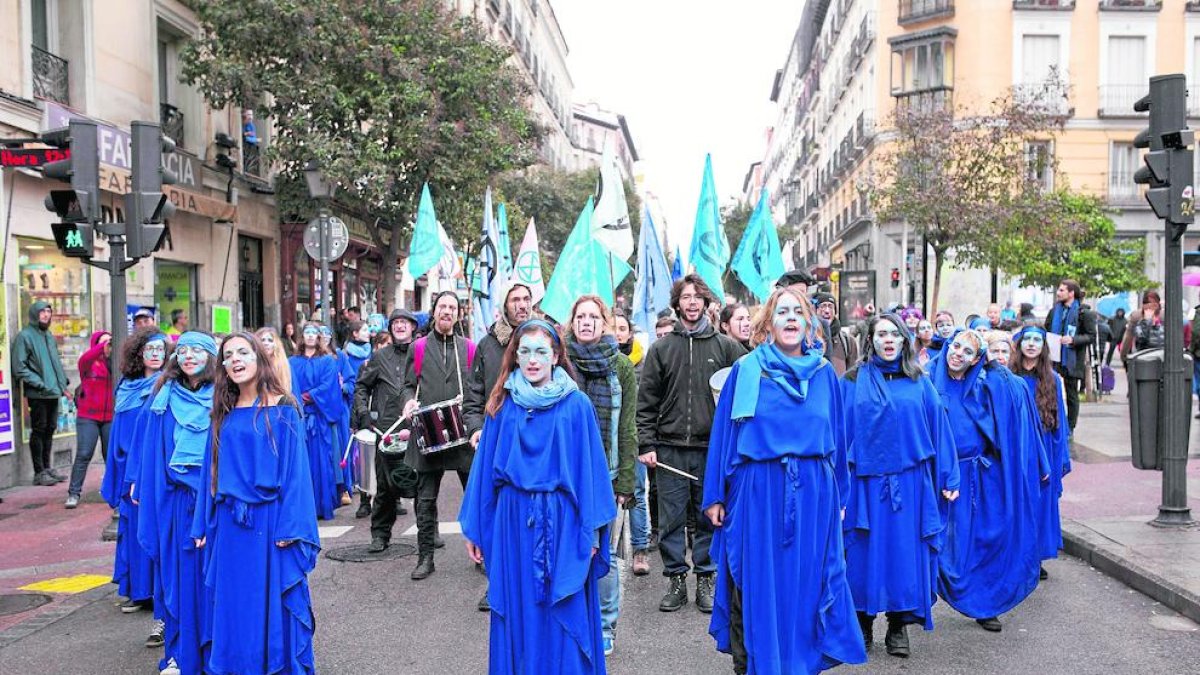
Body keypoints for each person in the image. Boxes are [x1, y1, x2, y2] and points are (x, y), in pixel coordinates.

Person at [702, 288, 866, 674]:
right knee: (758, 586)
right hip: (759, 491)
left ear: (809, 323)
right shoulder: (747, 370)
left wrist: (841, 495)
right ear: (768, 324)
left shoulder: (826, 374)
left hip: (814, 494)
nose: (791, 318)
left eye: (798, 312)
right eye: (782, 312)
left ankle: (799, 664)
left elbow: (838, 442)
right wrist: (715, 495)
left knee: (807, 587)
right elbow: (724, 436)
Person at [459, 319, 616, 674]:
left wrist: (591, 532)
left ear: (556, 356)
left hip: (563, 523)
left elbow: (590, 473)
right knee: (519, 611)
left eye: (541, 351)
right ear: (514, 357)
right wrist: (476, 530)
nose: (532, 360)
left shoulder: (577, 406)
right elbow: (485, 476)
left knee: (564, 608)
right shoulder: (502, 406)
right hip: (513, 524)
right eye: (524, 351)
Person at [192, 332, 320, 674]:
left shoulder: (283, 407)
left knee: (272, 605)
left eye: (243, 352)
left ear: (259, 359)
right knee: (235, 606)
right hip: (230, 528)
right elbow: (211, 471)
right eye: (228, 355)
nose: (235, 359)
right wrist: (201, 522)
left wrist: (292, 526)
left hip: (271, 524)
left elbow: (296, 474)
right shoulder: (222, 411)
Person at [841, 314, 960, 658]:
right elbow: (836, 434)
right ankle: (861, 622)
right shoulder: (850, 382)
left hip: (909, 487)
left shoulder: (919, 382)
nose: (889, 340)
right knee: (861, 557)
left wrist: (950, 476)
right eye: (882, 334)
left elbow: (939, 430)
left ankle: (897, 624)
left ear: (905, 340)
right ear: (871, 341)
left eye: (895, 334)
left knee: (903, 558)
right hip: (864, 485)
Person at [637, 274, 746, 614]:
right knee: (670, 519)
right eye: (686, 297)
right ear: (677, 303)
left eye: (698, 296)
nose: (692, 302)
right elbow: (646, 402)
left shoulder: (727, 348)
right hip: (668, 449)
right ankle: (676, 580)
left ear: (708, 302)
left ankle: (705, 578)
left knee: (707, 516)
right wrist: (646, 443)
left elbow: (745, 395)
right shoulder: (661, 349)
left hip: (711, 450)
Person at [930, 330, 1043, 635]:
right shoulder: (926, 380)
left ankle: (985, 603)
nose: (958, 354)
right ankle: (909, 609)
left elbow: (1012, 401)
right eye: (956, 347)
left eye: (968, 352)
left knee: (982, 542)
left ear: (976, 359)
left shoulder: (985, 385)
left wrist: (991, 363)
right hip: (938, 478)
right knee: (937, 543)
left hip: (978, 477)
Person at [135, 331, 216, 675]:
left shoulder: (226, 398)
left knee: (215, 583)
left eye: (197, 350)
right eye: (182, 350)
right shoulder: (161, 400)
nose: (188, 356)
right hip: (177, 506)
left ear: (212, 357)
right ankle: (180, 654)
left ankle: (218, 653)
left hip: (215, 505)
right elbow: (152, 458)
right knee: (179, 582)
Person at [565, 296, 638, 656]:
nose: (587, 322)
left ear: (605, 323)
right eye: (581, 316)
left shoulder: (621, 366)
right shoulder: (560, 362)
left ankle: (606, 625)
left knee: (605, 555)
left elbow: (628, 428)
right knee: (573, 552)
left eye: (594, 316)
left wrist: (626, 481)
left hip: (607, 477)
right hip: (567, 479)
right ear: (573, 321)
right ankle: (575, 619)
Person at [403, 291, 476, 581]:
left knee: (474, 496)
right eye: (442, 306)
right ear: (434, 312)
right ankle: (425, 557)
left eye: (452, 307)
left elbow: (478, 389)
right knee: (425, 500)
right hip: (427, 433)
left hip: (463, 434)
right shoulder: (418, 348)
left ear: (458, 314)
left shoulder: (470, 348)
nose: (447, 311)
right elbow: (408, 385)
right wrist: (408, 401)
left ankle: (481, 552)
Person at [99, 329, 169, 632]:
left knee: (153, 528)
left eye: (160, 349)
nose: (155, 354)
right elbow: (118, 432)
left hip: (152, 467)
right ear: (139, 353)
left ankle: (157, 592)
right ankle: (138, 591)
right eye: (149, 349)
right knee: (131, 526)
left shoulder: (168, 385)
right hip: (128, 464)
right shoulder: (126, 386)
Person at [353, 309, 420, 552]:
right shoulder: (380, 357)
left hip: (417, 429)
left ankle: (428, 533)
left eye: (404, 322)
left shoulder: (423, 352)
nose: (400, 326)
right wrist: (363, 414)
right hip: (387, 431)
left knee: (424, 485)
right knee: (385, 486)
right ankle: (380, 535)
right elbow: (361, 387)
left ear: (413, 326)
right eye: (396, 323)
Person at [1011, 326, 1071, 579]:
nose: (1032, 344)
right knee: (1015, 503)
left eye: (1038, 340)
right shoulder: (1008, 375)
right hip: (1015, 448)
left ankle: (1034, 557)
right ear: (1020, 343)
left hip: (1043, 450)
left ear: (1043, 346)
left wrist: (1058, 459)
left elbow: (1060, 423)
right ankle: (1013, 556)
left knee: (1039, 503)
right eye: (1028, 339)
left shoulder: (1052, 379)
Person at [12, 300, 71, 485]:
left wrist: (62, 385)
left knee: (50, 428)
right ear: (34, 314)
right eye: (42, 312)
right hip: (38, 393)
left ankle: (47, 468)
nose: (46, 315)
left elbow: (55, 363)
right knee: (39, 430)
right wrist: (39, 384)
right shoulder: (25, 336)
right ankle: (39, 473)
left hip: (53, 392)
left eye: (48, 311)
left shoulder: (49, 336)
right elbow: (19, 367)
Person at [289, 321, 344, 520]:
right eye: (307, 332)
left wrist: (305, 396)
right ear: (302, 336)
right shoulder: (292, 362)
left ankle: (322, 505)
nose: (311, 336)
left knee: (322, 461)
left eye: (314, 332)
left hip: (319, 418)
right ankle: (304, 508)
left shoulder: (328, 361)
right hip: (299, 418)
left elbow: (329, 386)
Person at [613, 309, 650, 576]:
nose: (617, 333)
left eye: (622, 328)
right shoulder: (601, 362)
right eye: (612, 327)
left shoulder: (642, 362)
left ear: (630, 333)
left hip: (634, 438)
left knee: (636, 494)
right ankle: (611, 549)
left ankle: (640, 548)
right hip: (608, 440)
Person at [66, 331, 114, 508]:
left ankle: (113, 492)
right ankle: (73, 493)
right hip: (88, 416)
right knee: (84, 453)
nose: (108, 346)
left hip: (110, 416)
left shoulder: (116, 364)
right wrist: (104, 345)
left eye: (110, 342)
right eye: (103, 342)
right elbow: (86, 357)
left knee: (111, 456)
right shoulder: (88, 363)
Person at [1044, 279, 1094, 433]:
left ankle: (1070, 427)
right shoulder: (1054, 311)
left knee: (1071, 393)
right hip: (1054, 357)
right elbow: (1046, 329)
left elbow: (1091, 336)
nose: (1058, 293)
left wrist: (1073, 340)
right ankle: (1053, 422)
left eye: (1061, 290)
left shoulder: (1083, 313)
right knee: (1050, 391)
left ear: (1071, 293)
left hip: (1072, 359)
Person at [339, 320, 373, 517]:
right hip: (356, 408)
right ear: (354, 334)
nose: (368, 333)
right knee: (361, 456)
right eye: (364, 330)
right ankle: (364, 499)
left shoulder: (374, 355)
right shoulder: (346, 357)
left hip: (376, 408)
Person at [814, 292, 859, 376]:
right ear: (815, 310)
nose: (827, 311)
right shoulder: (809, 340)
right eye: (823, 306)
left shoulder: (848, 342)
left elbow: (852, 378)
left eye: (830, 306)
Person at [1120, 290, 1166, 360]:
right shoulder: (1165, 315)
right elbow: (1128, 336)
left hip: (1142, 355)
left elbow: (1128, 337)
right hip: (1160, 355)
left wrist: (1123, 355)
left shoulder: (1136, 315)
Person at [255, 326, 293, 393]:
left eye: (270, 340)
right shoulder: (251, 365)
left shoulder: (284, 366)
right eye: (262, 340)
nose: (266, 343)